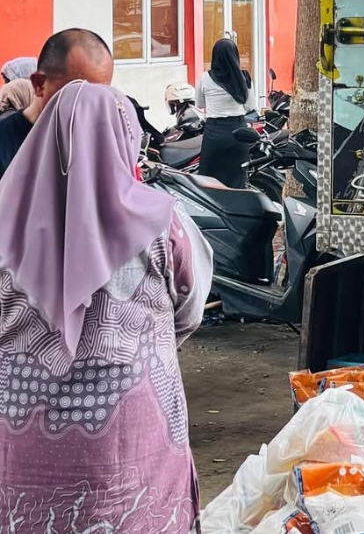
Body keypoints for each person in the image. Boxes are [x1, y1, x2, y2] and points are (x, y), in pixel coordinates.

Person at [0, 81, 212, 531]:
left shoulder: (4, 219)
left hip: (21, 432)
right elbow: (191, 307)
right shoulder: (161, 219)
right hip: (135, 438)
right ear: (125, 137)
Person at [0, 28, 113, 178]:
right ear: (39, 84)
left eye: (101, 96)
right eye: (77, 95)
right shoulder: (4, 145)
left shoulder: (101, 143)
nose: (91, 107)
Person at [196, 37, 256, 187]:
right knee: (237, 179)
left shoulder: (204, 78)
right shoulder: (244, 77)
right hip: (239, 134)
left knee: (209, 180)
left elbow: (200, 104)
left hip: (215, 133)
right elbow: (250, 106)